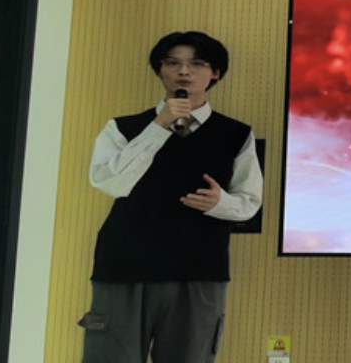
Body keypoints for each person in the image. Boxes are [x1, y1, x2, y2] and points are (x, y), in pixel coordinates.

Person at [79, 31, 263, 363]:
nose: (184, 71)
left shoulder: (236, 134)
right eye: (173, 63)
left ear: (215, 73)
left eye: (197, 63)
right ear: (160, 70)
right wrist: (158, 127)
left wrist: (220, 203)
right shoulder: (123, 127)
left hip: (199, 269)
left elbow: (249, 202)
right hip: (124, 266)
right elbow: (108, 182)